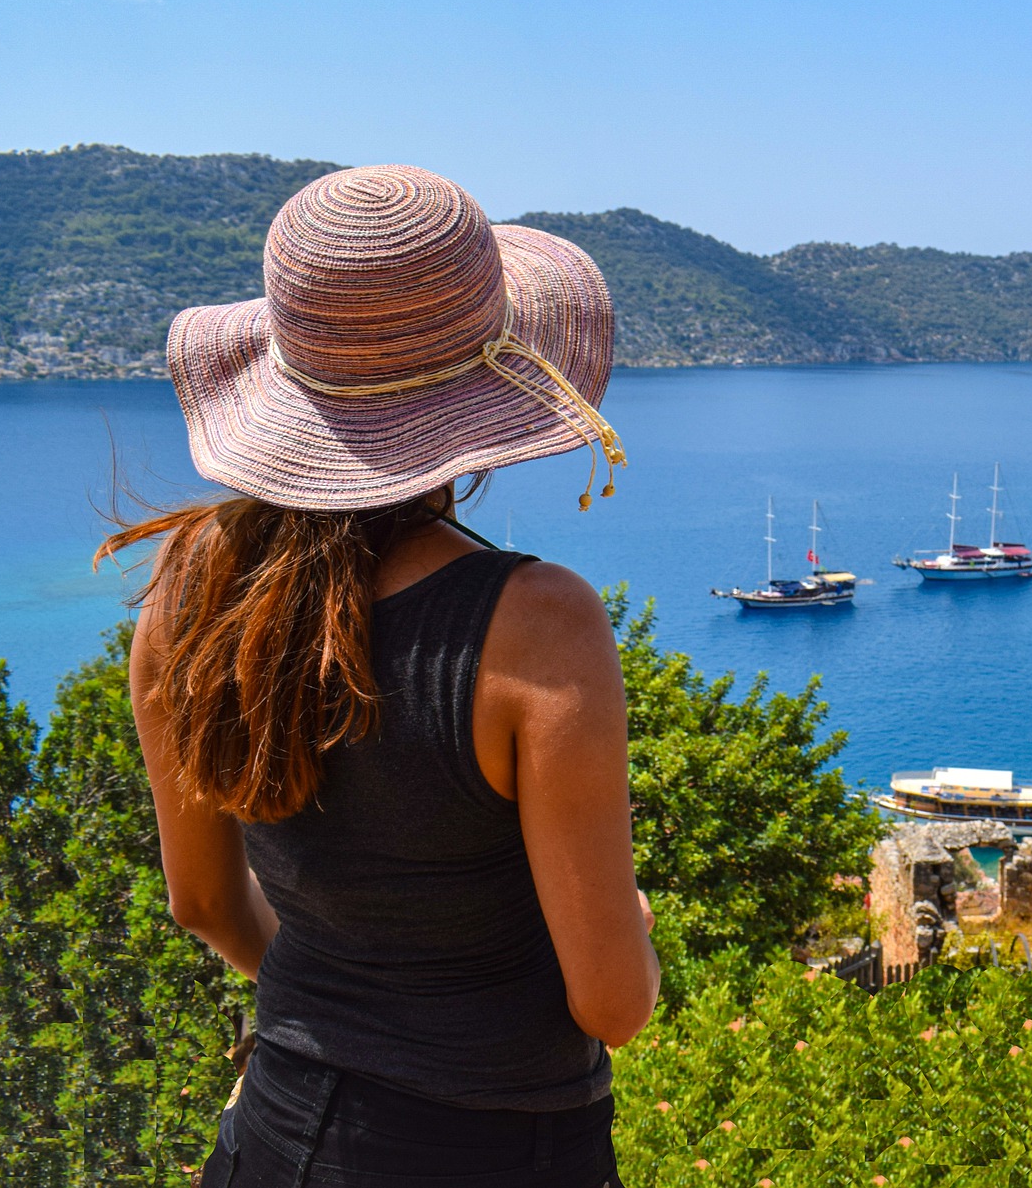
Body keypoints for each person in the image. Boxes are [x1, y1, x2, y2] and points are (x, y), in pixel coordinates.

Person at [103, 165, 659, 1185]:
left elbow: (202, 904)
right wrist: (637, 921)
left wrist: (353, 1022)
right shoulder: (539, 626)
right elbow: (612, 1005)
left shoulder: (183, 593)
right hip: (500, 1151)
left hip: (273, 1134)